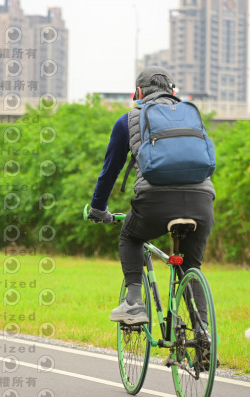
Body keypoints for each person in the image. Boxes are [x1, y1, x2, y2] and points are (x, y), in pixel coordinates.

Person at [88, 66, 215, 325]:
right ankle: (203, 332)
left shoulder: (128, 120)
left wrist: (98, 209)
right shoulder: (191, 115)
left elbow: (110, 172)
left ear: (138, 93)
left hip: (155, 203)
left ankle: (134, 302)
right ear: (172, 91)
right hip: (201, 202)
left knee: (130, 236)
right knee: (190, 267)